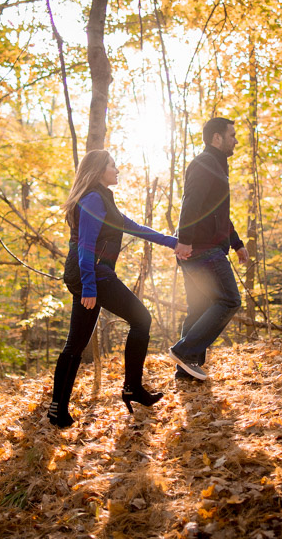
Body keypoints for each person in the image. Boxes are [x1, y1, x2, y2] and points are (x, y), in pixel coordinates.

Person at [49, 150, 181, 428]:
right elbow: (85, 246)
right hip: (92, 273)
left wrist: (172, 242)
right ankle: (131, 387)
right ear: (99, 171)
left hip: (90, 273)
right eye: (112, 165)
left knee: (77, 342)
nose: (117, 169)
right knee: (141, 319)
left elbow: (134, 227)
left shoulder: (102, 199)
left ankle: (57, 409)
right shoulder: (94, 200)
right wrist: (88, 286)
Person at [168, 117, 249, 382]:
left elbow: (217, 213)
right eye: (232, 135)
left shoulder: (216, 166)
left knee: (199, 308)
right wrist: (186, 240)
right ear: (217, 137)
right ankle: (184, 351)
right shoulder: (205, 164)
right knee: (229, 300)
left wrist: (236, 243)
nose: (235, 140)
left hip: (198, 246)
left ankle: (187, 371)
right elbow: (190, 202)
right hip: (200, 248)